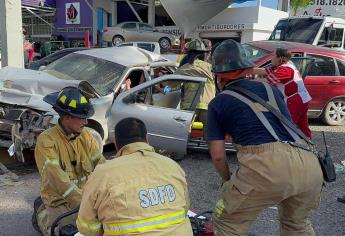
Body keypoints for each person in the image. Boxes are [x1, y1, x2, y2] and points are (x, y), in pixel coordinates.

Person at [208, 39, 323, 236]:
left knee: (226, 223)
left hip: (266, 166)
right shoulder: (271, 91)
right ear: (247, 69)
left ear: (218, 76)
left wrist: (228, 181)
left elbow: (218, 156)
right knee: (297, 225)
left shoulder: (218, 103)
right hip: (309, 163)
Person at [77, 118, 193, 236]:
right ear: (147, 139)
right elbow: (185, 207)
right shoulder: (173, 166)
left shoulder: (103, 174)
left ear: (116, 144)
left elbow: (87, 227)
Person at [34, 87, 106, 235]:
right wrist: (85, 204)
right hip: (61, 202)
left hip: (87, 200)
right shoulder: (47, 140)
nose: (86, 122)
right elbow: (59, 181)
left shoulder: (85, 136)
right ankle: (42, 215)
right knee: (67, 232)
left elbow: (101, 165)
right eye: (82, 118)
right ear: (67, 117)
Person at [253, 48, 312, 138]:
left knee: (287, 126)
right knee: (303, 127)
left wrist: (247, 81)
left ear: (280, 59)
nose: (271, 58)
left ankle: (288, 148)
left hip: (295, 100)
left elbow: (266, 80)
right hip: (302, 99)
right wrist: (247, 70)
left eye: (274, 56)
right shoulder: (287, 65)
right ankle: (309, 147)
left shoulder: (285, 70)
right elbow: (264, 71)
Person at [174, 38, 216, 139]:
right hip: (207, 105)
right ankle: (210, 152)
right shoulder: (210, 67)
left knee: (185, 130)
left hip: (190, 105)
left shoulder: (186, 67)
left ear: (188, 54)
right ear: (203, 53)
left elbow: (171, 83)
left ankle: (181, 153)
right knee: (209, 131)